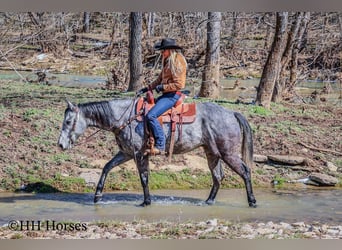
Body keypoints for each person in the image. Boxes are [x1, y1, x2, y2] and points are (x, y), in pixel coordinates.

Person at [137, 38, 187, 155]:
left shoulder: (177, 62)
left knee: (151, 115)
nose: (161, 53)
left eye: (163, 50)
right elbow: (159, 79)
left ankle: (160, 144)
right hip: (167, 94)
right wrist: (148, 88)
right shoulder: (168, 61)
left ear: (169, 50)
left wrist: (163, 88)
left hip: (172, 96)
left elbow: (180, 84)